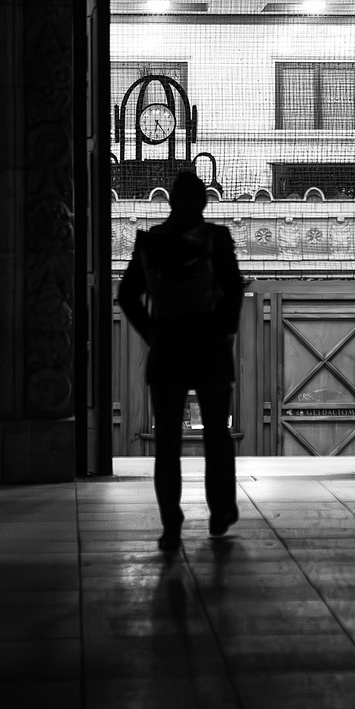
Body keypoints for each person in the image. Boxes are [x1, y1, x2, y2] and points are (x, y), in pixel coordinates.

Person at [117, 171, 244, 552]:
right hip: (208, 346)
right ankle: (220, 511)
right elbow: (233, 289)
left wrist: (152, 332)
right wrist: (224, 332)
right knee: (216, 435)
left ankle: (171, 524)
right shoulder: (215, 239)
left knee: (168, 441)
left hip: (168, 346)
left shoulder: (151, 242)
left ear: (170, 202)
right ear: (204, 203)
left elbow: (127, 295)